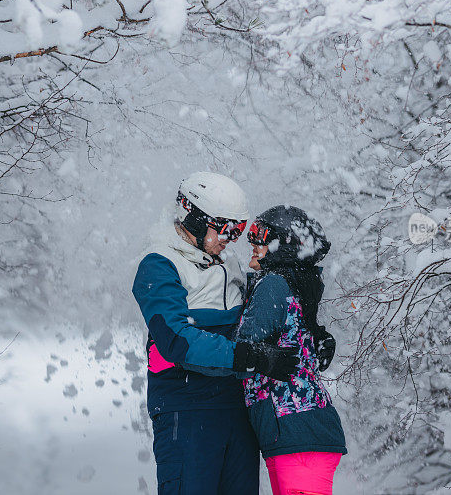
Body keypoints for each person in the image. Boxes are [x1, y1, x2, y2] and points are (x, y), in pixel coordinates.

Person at [131, 172, 300, 495]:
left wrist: (312, 330)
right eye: (224, 228)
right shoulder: (159, 264)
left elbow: (271, 305)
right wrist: (248, 356)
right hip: (188, 407)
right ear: (194, 218)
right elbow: (176, 340)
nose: (230, 238)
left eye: (237, 230)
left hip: (236, 408)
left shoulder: (231, 264)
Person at [237, 205, 347, 495]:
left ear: (283, 245)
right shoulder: (295, 283)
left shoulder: (273, 285)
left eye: (260, 237)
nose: (252, 243)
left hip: (296, 436)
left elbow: (240, 352)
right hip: (300, 432)